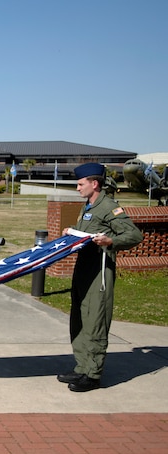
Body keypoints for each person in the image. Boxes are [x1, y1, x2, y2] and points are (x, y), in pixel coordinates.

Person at [59, 163, 143, 392]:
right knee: (79, 318)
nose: (77, 188)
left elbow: (134, 234)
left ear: (94, 184)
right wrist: (71, 232)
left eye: (80, 184)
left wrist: (111, 242)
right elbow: (85, 233)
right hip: (83, 271)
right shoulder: (88, 207)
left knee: (95, 321)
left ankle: (93, 374)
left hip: (99, 273)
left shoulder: (108, 207)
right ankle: (81, 366)